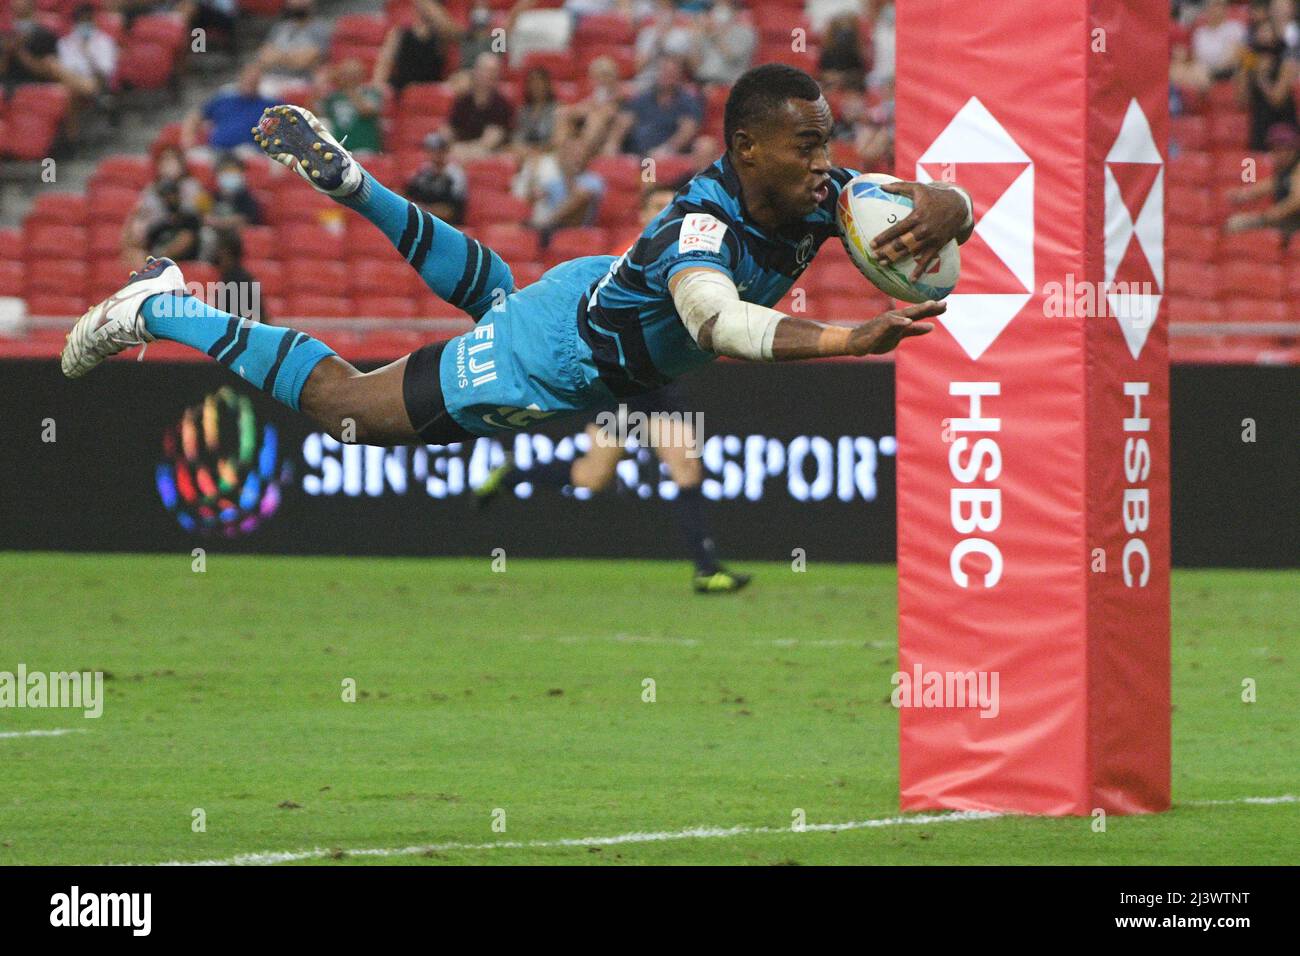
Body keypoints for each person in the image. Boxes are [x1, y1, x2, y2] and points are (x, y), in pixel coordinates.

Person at [62, 66, 971, 512]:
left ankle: (356, 187)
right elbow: (716, 319)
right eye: (806, 145)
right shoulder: (700, 225)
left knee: (498, 293)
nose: (826, 163)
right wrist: (850, 342)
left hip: (580, 301)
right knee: (348, 411)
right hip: (556, 358)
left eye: (826, 142)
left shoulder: (820, 194)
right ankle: (162, 304)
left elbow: (939, 204)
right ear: (745, 150)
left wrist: (947, 200)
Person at [513, 138, 605, 239]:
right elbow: (532, 197)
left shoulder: (594, 180)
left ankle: (545, 224)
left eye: (580, 154)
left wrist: (569, 175)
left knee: (582, 196)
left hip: (575, 225)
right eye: (572, 153)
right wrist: (533, 172)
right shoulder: (555, 181)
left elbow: (580, 198)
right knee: (509, 230)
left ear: (587, 157)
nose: (576, 157)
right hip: (550, 227)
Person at [181, 63, 277, 159]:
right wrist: (188, 135)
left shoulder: (268, 104)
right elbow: (196, 115)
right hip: (216, 150)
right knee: (193, 157)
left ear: (259, 81)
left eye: (253, 80)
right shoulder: (224, 99)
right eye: (247, 78)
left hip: (246, 152)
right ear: (240, 78)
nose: (250, 82)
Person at [1225, 121, 1300, 240]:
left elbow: (1296, 201)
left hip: (1294, 224)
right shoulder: (1285, 169)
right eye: (1275, 149)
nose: (1277, 154)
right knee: (1235, 223)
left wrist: (1267, 216)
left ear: (1292, 148)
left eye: (1282, 148)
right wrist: (1242, 195)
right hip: (1285, 222)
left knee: (1238, 224)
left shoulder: (1298, 166)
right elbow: (1271, 184)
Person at [619, 57, 703, 157]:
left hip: (666, 156)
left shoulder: (688, 102)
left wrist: (666, 150)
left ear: (679, 76)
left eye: (671, 73)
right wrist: (613, 145)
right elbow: (624, 123)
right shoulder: (643, 98)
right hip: (634, 154)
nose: (666, 76)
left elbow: (687, 131)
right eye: (663, 71)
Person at [372, 0, 458, 92]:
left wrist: (430, 8)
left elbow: (452, 33)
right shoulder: (400, 32)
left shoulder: (443, 35)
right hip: (402, 87)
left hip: (429, 87)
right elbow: (384, 64)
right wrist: (377, 87)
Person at [253, 0, 331, 98]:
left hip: (299, 81)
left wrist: (277, 56)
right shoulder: (281, 28)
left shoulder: (320, 29)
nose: (297, 3)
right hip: (271, 78)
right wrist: (292, 57)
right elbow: (264, 57)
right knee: (235, 92)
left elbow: (303, 62)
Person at [445, 52, 514, 160]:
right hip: (460, 151)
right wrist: (448, 144)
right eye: (487, 70)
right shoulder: (463, 100)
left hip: (489, 155)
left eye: (495, 71)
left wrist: (464, 150)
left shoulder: (502, 104)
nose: (491, 75)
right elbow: (448, 128)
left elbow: (491, 140)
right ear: (476, 71)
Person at [319, 58, 384, 155]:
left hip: (364, 149)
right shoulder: (334, 96)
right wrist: (320, 86)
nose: (348, 77)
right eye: (345, 74)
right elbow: (316, 114)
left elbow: (367, 110)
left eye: (351, 74)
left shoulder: (370, 93)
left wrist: (349, 88)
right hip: (340, 150)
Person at [405, 132, 468, 225]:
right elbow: (409, 194)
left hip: (448, 225)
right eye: (431, 150)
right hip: (424, 222)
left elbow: (452, 210)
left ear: (445, 151)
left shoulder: (455, 175)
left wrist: (425, 209)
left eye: (438, 150)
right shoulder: (423, 172)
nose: (434, 154)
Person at [143, 180, 202, 262]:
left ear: (178, 195)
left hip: (186, 255)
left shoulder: (189, 214)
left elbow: (188, 237)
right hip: (159, 251)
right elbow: (149, 239)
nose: (169, 198)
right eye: (166, 196)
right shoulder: (159, 216)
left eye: (172, 194)